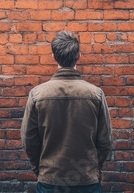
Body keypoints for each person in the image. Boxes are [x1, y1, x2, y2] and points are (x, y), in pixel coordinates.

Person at [21, 31, 113, 193]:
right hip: (86, 180)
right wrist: (92, 169)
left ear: (53, 56)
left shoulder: (37, 95)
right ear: (79, 56)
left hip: (50, 179)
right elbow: (105, 140)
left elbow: (29, 141)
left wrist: (40, 170)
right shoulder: (96, 94)